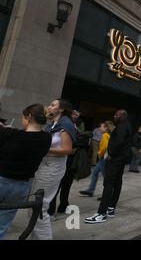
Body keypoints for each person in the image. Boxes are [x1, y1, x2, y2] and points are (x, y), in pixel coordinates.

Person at [0, 104, 52, 239]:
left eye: (23, 117)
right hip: (22, 187)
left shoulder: (10, 134)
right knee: (3, 223)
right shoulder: (46, 139)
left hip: (2, 180)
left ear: (28, 117)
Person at [29, 99, 76, 240]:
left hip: (53, 167)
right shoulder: (54, 123)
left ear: (61, 109)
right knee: (35, 206)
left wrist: (44, 148)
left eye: (53, 105)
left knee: (39, 206)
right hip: (46, 165)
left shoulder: (66, 124)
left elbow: (68, 149)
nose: (49, 106)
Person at [84, 110, 132, 224]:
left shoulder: (121, 126)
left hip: (116, 159)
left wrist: (110, 154)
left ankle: (101, 213)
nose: (114, 117)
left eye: (116, 115)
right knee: (117, 182)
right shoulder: (127, 126)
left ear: (121, 116)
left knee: (109, 183)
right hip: (121, 159)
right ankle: (111, 208)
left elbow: (118, 142)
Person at [79, 121, 114, 197]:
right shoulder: (107, 135)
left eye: (101, 127)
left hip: (103, 159)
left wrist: (99, 153)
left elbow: (105, 147)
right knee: (95, 173)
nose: (99, 128)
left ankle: (107, 194)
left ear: (106, 128)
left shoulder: (104, 135)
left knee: (106, 177)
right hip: (104, 158)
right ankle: (90, 190)